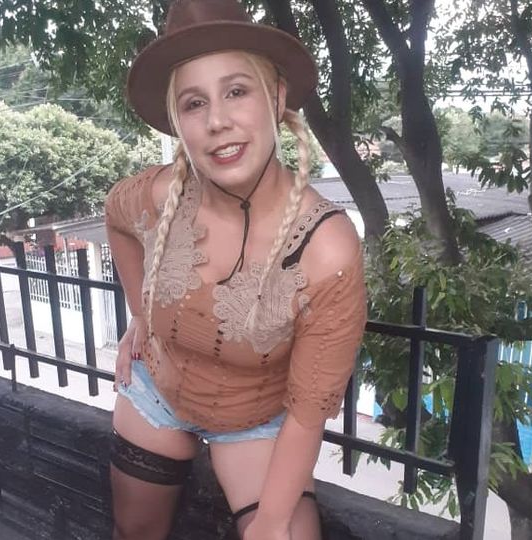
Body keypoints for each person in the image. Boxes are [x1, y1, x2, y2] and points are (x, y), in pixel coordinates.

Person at [104, 1, 367, 539]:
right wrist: (142, 316)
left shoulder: (327, 249)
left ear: (277, 97)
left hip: (258, 417)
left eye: (237, 91)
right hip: (158, 388)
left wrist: (271, 521)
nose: (217, 120)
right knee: (134, 531)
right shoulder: (161, 195)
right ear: (179, 122)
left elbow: (309, 409)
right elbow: (116, 218)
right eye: (194, 102)